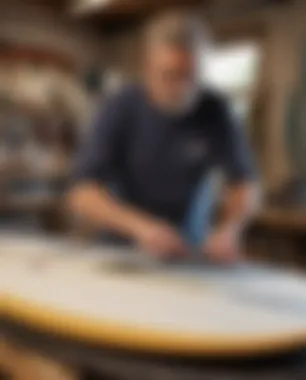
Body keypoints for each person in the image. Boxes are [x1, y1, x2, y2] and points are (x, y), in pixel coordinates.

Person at [68, 10, 259, 263]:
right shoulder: (119, 108)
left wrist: (229, 230)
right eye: (169, 75)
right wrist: (142, 228)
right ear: (147, 68)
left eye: (191, 76)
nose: (181, 87)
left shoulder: (216, 110)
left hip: (186, 249)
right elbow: (82, 194)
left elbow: (245, 184)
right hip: (120, 249)